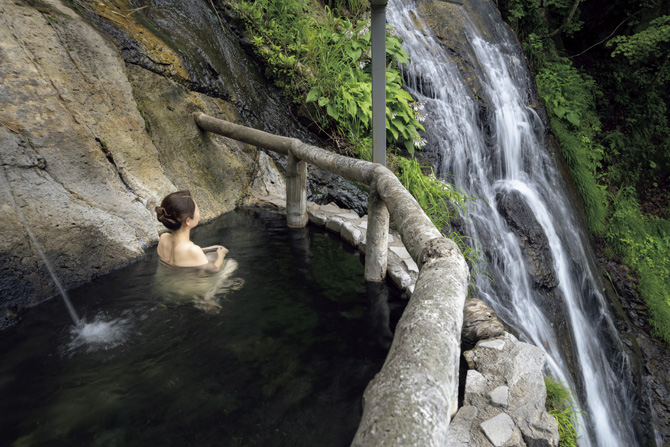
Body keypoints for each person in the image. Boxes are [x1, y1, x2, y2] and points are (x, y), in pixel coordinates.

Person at [155, 190, 228, 272]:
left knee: (210, 256)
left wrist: (207, 249)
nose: (199, 212)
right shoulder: (192, 250)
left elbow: (182, 253)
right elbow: (214, 270)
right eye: (197, 210)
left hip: (167, 280)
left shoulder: (163, 238)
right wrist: (221, 255)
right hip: (189, 283)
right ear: (188, 221)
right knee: (231, 264)